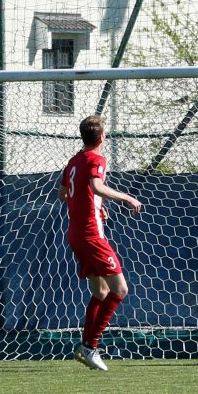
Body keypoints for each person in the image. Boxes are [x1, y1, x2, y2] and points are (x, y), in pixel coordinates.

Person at [58, 115, 142, 370]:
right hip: (91, 234)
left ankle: (87, 345)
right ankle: (91, 346)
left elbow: (63, 194)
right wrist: (126, 198)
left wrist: (93, 207)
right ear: (102, 138)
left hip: (76, 233)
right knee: (120, 289)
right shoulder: (96, 159)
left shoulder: (74, 161)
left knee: (101, 291)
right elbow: (96, 186)